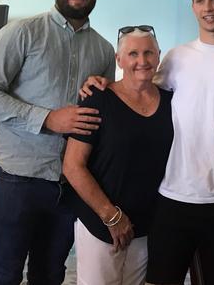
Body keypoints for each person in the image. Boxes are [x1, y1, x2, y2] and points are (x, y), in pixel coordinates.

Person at [81, 0, 214, 284]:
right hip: (171, 199)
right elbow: (139, 86)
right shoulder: (177, 58)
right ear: (192, 6)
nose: (208, 8)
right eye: (200, 0)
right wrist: (105, 84)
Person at [0, 0, 115, 284]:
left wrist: (108, 94)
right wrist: (47, 118)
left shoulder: (104, 51)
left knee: (50, 276)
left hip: (69, 187)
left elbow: (100, 119)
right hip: (17, 181)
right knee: (3, 274)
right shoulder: (20, 32)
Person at [63, 27, 172, 285]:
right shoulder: (97, 99)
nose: (141, 61)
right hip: (101, 224)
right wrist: (111, 216)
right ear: (119, 59)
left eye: (148, 53)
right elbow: (72, 166)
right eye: (132, 53)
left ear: (159, 56)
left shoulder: (171, 102)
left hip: (146, 227)